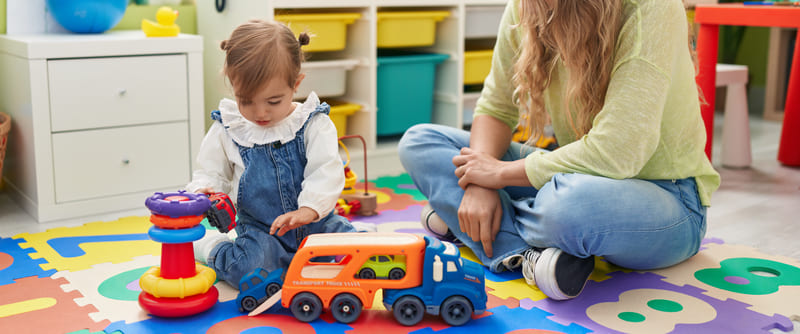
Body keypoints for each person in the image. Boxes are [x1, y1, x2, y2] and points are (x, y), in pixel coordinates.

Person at [398, 0, 720, 300]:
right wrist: (480, 183)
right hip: (574, 175)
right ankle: (522, 253)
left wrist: (498, 175)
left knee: (565, 205)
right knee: (420, 142)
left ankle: (471, 225)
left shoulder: (652, 7)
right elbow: (495, 109)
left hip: (670, 199)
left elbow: (619, 151)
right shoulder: (527, 6)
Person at [188, 19, 371, 287]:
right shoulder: (229, 128)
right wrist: (205, 192)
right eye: (245, 101)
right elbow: (210, 172)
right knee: (249, 270)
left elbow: (326, 170)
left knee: (357, 255)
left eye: (273, 101)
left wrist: (308, 209)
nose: (260, 113)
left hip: (315, 225)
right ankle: (212, 248)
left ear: (296, 84)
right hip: (263, 233)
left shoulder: (313, 124)